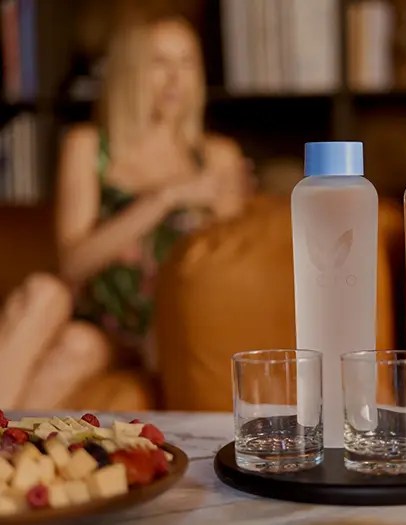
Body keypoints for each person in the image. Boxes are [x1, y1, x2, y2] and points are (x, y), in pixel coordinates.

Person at [0, 14, 249, 408]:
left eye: (186, 62)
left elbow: (225, 274)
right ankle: (9, 456)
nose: (175, 78)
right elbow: (72, 263)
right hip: (97, 322)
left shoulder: (216, 157)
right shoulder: (88, 146)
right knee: (48, 299)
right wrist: (164, 198)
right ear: (130, 71)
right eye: (159, 63)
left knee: (75, 335)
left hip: (162, 330)